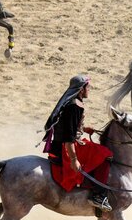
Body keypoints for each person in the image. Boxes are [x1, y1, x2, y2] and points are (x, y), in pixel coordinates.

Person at [43, 74, 113, 211]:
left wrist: (84, 129)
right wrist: (74, 159)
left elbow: (72, 127)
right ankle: (98, 196)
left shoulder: (75, 103)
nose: (89, 90)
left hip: (72, 141)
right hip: (68, 146)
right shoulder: (74, 106)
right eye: (88, 87)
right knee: (106, 154)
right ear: (81, 89)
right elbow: (69, 136)